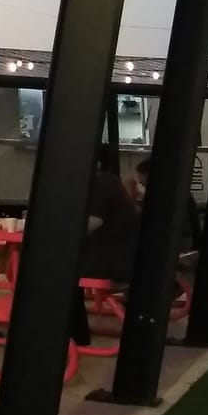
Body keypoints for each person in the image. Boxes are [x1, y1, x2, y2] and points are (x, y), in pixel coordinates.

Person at [73, 144, 142, 344]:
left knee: (59, 272)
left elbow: (92, 223)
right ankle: (78, 335)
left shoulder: (100, 184)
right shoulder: (110, 182)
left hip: (113, 263)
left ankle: (77, 336)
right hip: (124, 257)